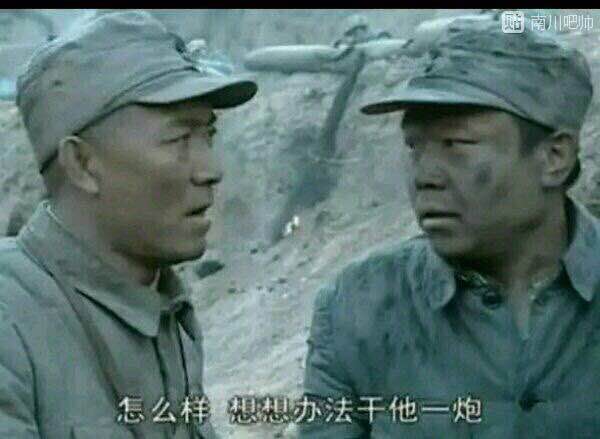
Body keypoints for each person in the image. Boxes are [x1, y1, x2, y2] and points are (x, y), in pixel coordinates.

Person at [300, 14, 599, 438]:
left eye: (456, 144)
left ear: (554, 158)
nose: (425, 176)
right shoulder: (358, 308)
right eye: (414, 147)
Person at [0, 11, 257, 438]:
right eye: (178, 139)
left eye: (207, 136)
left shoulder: (164, 307)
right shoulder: (12, 317)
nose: (211, 170)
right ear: (82, 164)